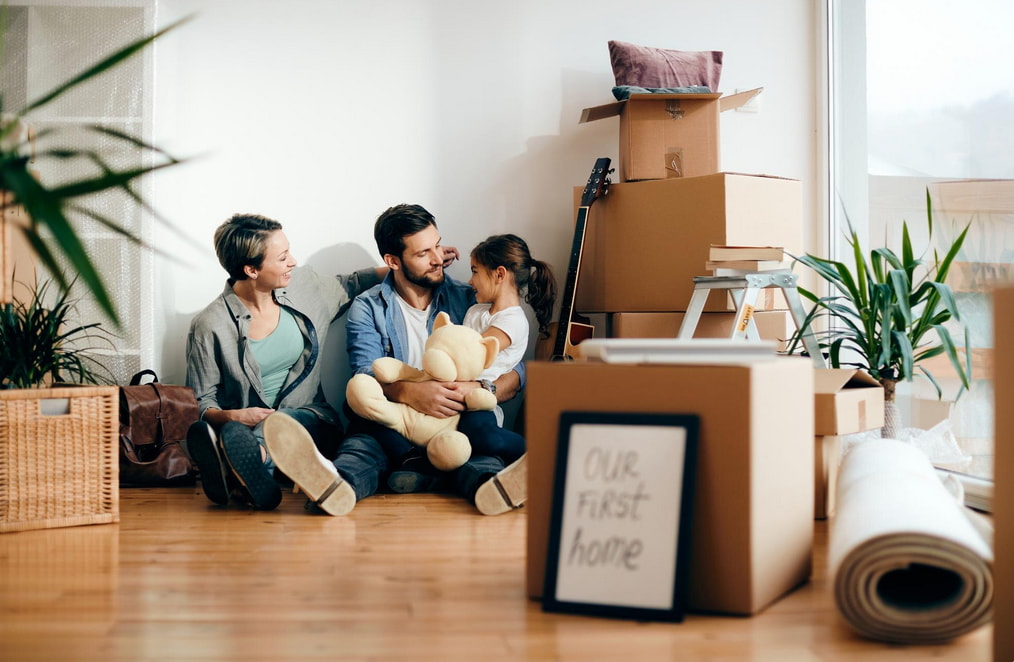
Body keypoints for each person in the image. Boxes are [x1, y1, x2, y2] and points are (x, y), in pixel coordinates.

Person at [264, 204, 529, 516]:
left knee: (475, 453)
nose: (437, 259)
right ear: (393, 260)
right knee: (360, 445)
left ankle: (491, 487)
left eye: (438, 246)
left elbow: (515, 367)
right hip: (395, 421)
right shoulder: (369, 306)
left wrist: (477, 388)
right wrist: (410, 392)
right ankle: (336, 485)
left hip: (456, 418)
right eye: (422, 253)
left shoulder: (469, 300)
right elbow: (366, 371)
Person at [184, 213, 388, 509]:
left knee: (281, 422)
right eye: (282, 258)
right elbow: (201, 401)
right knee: (250, 431)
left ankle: (243, 467)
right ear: (251, 269)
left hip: (312, 423)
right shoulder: (210, 324)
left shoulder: (304, 287)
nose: (292, 261)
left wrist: (412, 261)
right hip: (246, 428)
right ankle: (252, 471)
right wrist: (234, 416)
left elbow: (354, 283)